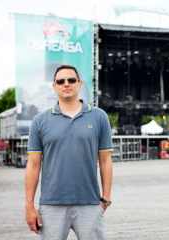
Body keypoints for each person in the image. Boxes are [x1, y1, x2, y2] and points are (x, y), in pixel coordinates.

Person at [25, 65, 113, 240]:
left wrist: (105, 200)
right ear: (54, 86)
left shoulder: (99, 116)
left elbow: (105, 160)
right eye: (61, 81)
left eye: (71, 80)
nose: (66, 84)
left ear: (79, 84)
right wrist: (29, 206)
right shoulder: (39, 121)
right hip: (51, 205)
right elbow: (33, 166)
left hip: (90, 203)